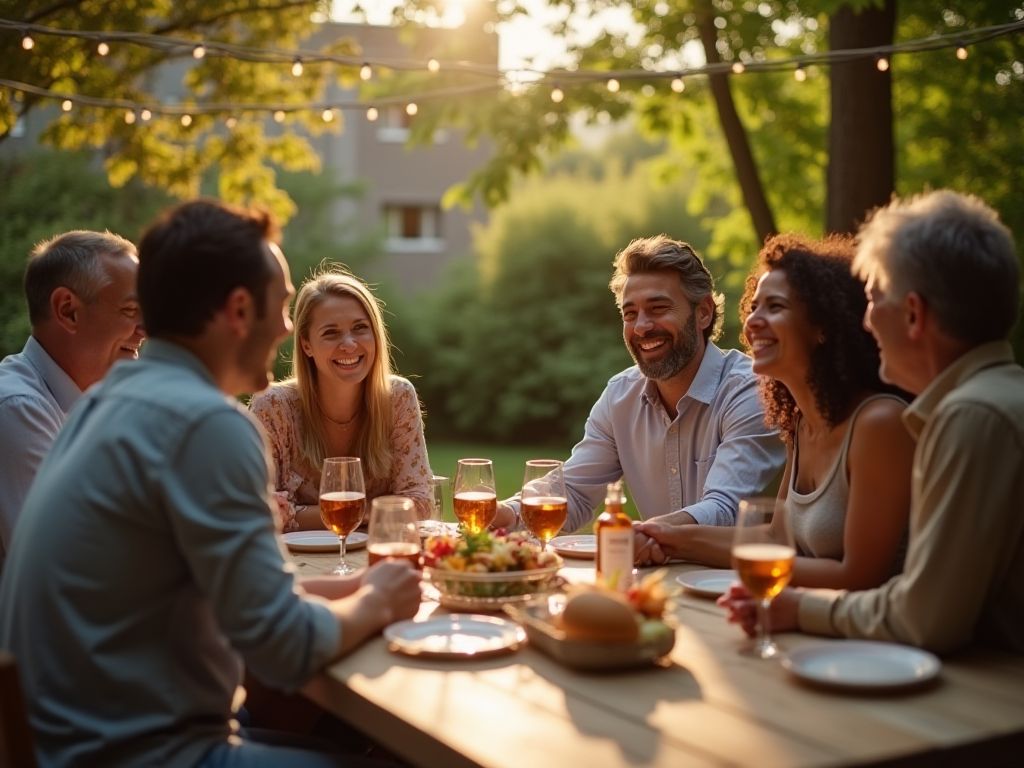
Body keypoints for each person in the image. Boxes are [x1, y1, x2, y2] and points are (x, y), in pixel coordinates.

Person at [0, 199, 421, 766]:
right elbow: (286, 649)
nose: (287, 328)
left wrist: (362, 584)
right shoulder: (205, 423)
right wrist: (377, 600)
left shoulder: (110, 401)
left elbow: (247, 605)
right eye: (284, 304)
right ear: (240, 309)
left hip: (71, 744)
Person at [720, 190, 1024, 655]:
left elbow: (926, 619)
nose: (865, 322)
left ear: (914, 314)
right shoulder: (990, 400)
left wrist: (798, 609)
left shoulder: (973, 417)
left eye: (875, 297)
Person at [634, 234, 914, 587]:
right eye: (754, 307)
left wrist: (756, 570)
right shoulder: (801, 424)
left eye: (775, 307)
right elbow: (775, 538)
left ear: (823, 326)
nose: (753, 321)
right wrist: (665, 536)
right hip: (806, 614)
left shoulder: (879, 424)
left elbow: (859, 576)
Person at [493, 234, 786, 533]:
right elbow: (574, 492)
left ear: (703, 312)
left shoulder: (750, 391)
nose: (642, 327)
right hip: (653, 562)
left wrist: (640, 533)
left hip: (743, 564)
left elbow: (725, 509)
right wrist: (508, 512)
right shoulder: (620, 396)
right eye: (630, 314)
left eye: (658, 308)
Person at [0, 230, 144, 565]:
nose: (145, 329)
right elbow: (70, 564)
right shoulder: (17, 408)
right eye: (130, 310)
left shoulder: (97, 405)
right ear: (68, 311)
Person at [250, 268, 432, 531]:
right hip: (296, 556)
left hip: (376, 550)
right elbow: (262, 512)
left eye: (360, 328)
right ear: (306, 345)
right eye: (331, 333)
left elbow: (420, 502)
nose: (349, 344)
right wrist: (376, 511)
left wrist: (311, 514)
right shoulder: (273, 407)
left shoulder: (398, 398)